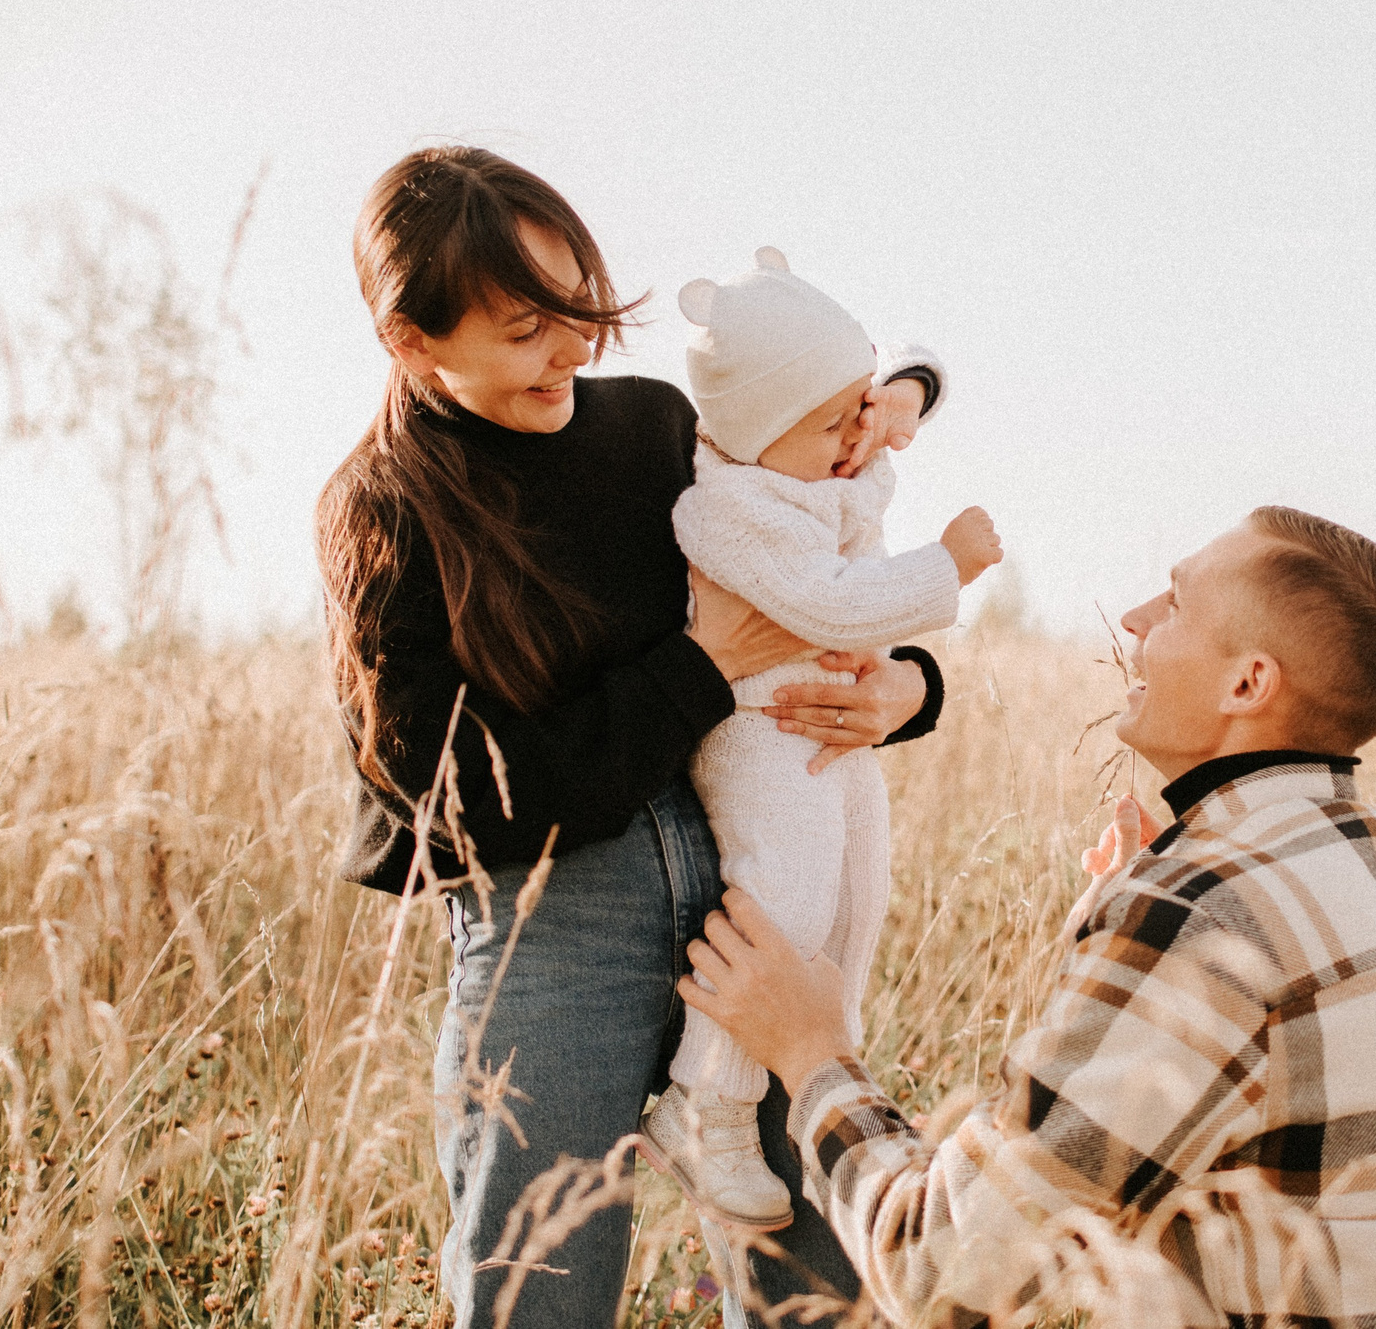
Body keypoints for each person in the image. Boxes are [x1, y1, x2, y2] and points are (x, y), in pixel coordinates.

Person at [314, 147, 952, 1327]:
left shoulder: (655, 428)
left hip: (753, 884)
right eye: (522, 329)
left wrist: (907, 689)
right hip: (553, 930)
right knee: (538, 1296)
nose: (571, 348)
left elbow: (813, 557)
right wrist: (701, 668)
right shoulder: (387, 509)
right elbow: (451, 794)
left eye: (576, 310)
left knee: (815, 1273)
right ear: (412, 340)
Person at [679, 507, 1376, 1327]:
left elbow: (948, 1270)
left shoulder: (1205, 908)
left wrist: (811, 1053)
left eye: (1176, 603)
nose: (1136, 620)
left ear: (1249, 682)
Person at [640, 248, 1005, 1230]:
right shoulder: (728, 505)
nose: (857, 438)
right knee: (786, 892)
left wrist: (897, 399)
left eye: (859, 410)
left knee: (859, 884)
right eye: (835, 421)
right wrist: (947, 568)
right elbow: (830, 602)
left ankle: (822, 1073)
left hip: (829, 724)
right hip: (761, 729)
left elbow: (897, 387)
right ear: (763, 428)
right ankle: (706, 1102)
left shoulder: (803, 455)